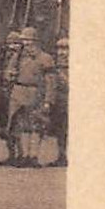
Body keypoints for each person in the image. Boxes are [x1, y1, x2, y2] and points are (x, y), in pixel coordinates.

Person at [3, 26, 55, 167]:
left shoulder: (45, 58)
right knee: (22, 126)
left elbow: (50, 82)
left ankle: (34, 156)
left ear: (35, 41)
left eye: (29, 40)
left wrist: (48, 100)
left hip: (36, 93)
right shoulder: (17, 57)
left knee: (36, 127)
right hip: (19, 94)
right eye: (24, 40)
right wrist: (10, 74)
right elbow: (7, 75)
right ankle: (25, 155)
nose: (26, 44)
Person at [48, 36, 69, 167]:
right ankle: (61, 155)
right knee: (60, 130)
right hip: (60, 102)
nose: (62, 52)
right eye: (59, 49)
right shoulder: (55, 66)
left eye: (66, 49)